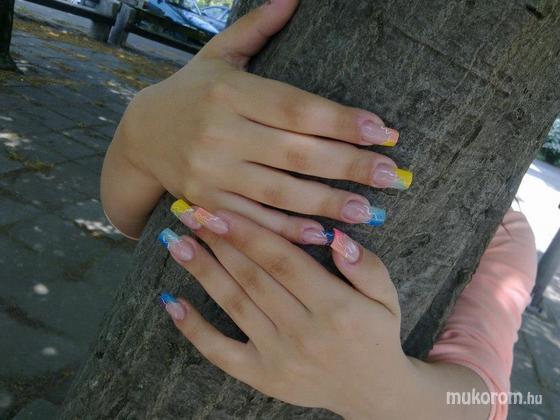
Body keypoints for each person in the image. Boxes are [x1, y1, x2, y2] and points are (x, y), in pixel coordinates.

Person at [100, 1, 537, 418]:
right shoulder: (232, 104)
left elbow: (484, 398)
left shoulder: (507, 237)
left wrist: (384, 392)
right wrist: (142, 132)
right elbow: (132, 221)